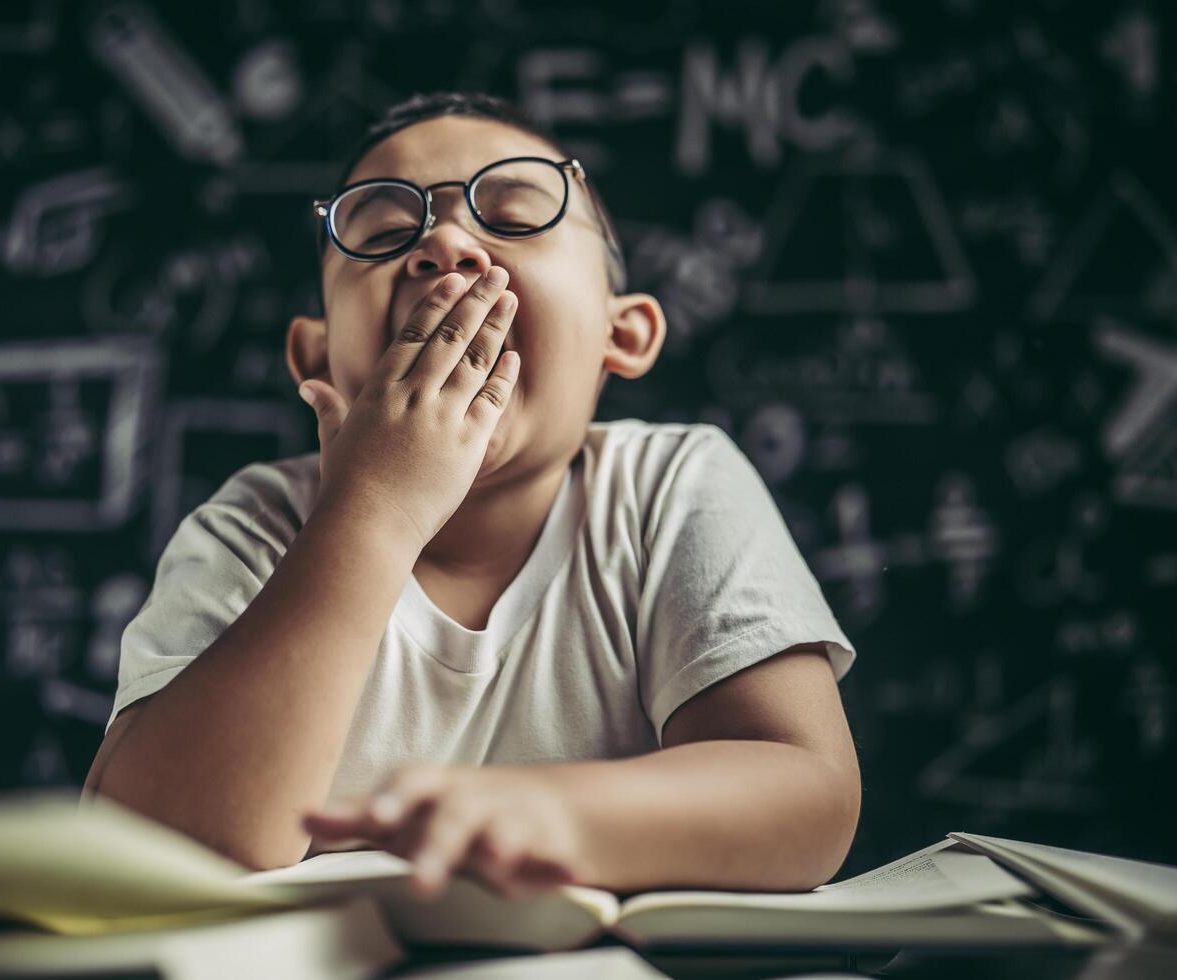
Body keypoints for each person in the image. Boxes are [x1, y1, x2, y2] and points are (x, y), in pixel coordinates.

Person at [83, 91, 861, 901]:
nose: (446, 243)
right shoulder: (254, 525)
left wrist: (536, 812)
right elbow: (150, 849)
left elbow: (806, 794)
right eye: (385, 234)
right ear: (315, 356)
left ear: (619, 333)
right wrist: (374, 511)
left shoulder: (672, 484)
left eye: (516, 217)